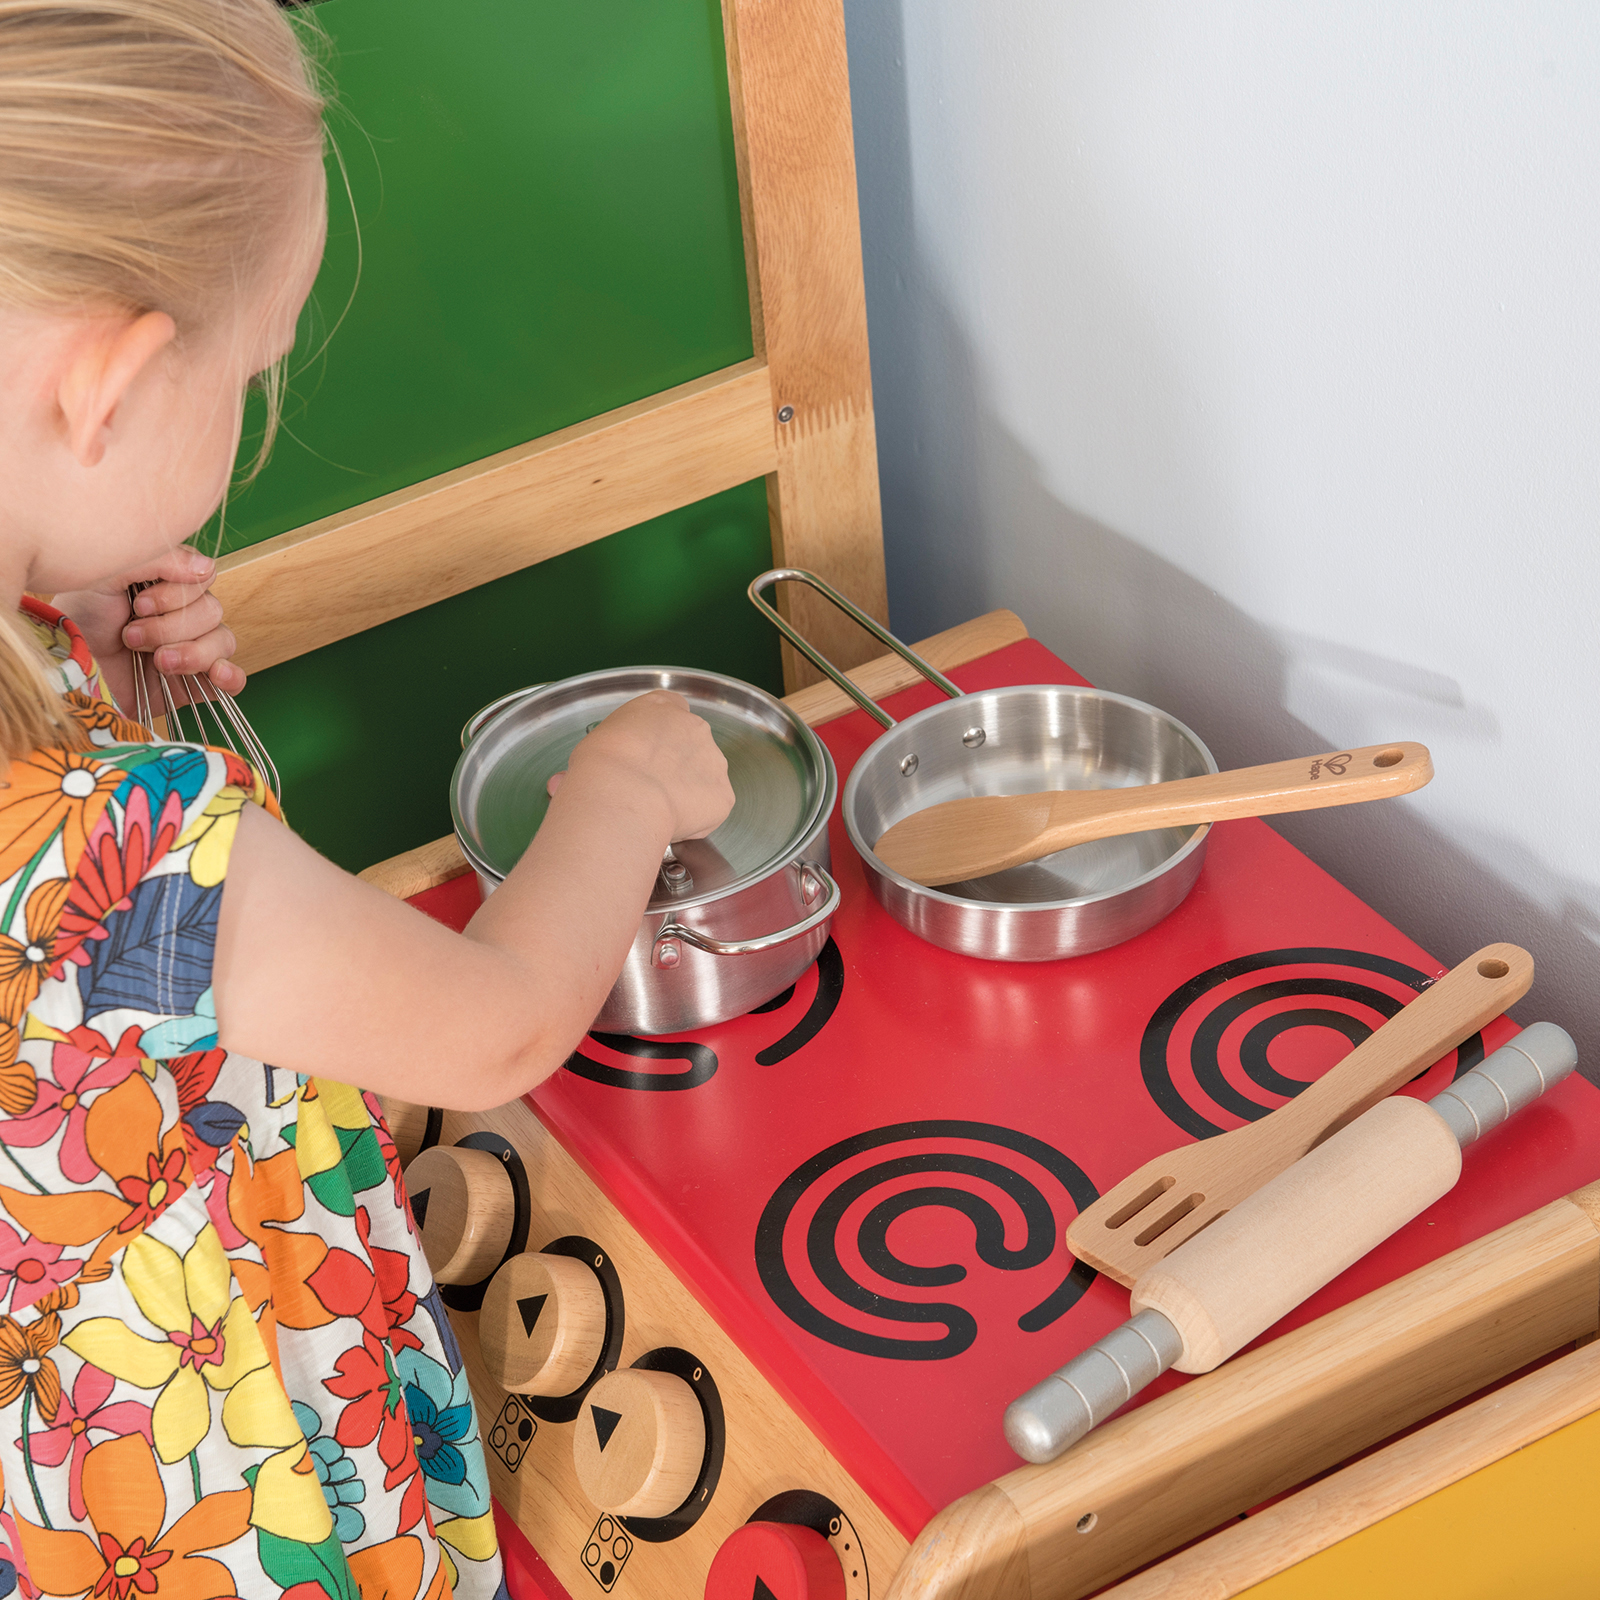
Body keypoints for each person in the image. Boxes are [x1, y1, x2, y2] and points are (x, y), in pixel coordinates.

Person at [0, 4, 734, 1597]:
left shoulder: (44, 720)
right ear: (108, 387)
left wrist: (101, 677)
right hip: (219, 1501)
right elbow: (494, 1030)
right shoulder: (120, 846)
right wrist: (621, 787)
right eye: (252, 374)